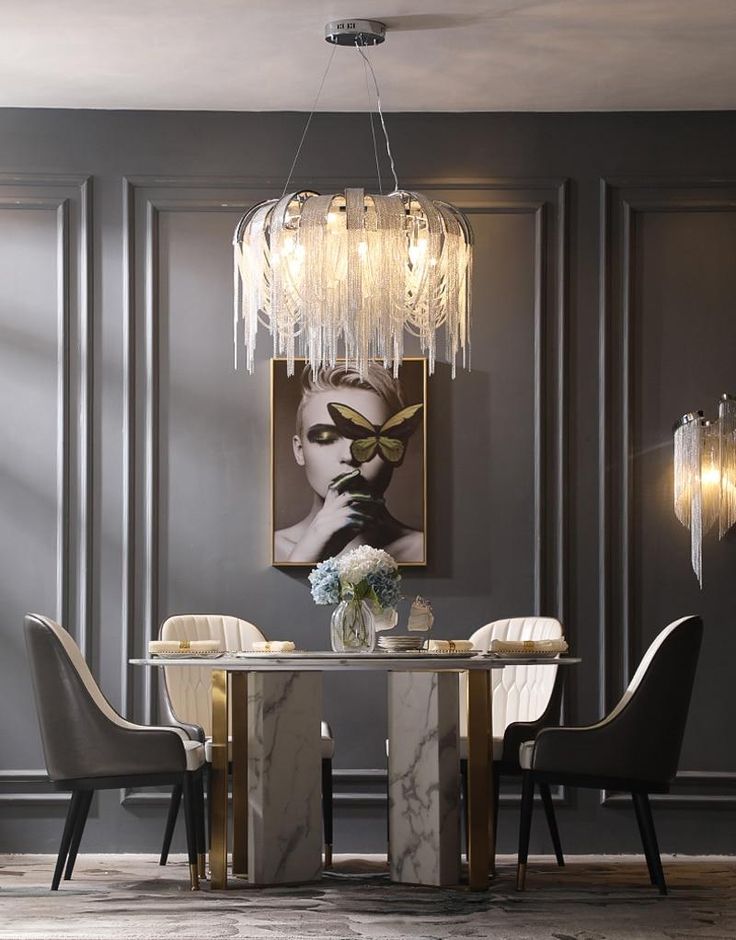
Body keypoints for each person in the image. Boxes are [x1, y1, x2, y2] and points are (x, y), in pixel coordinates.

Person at [274, 363, 425, 564]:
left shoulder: (421, 550)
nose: (350, 455)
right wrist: (304, 555)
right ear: (299, 451)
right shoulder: (273, 550)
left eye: (371, 437)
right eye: (325, 437)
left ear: (398, 450)